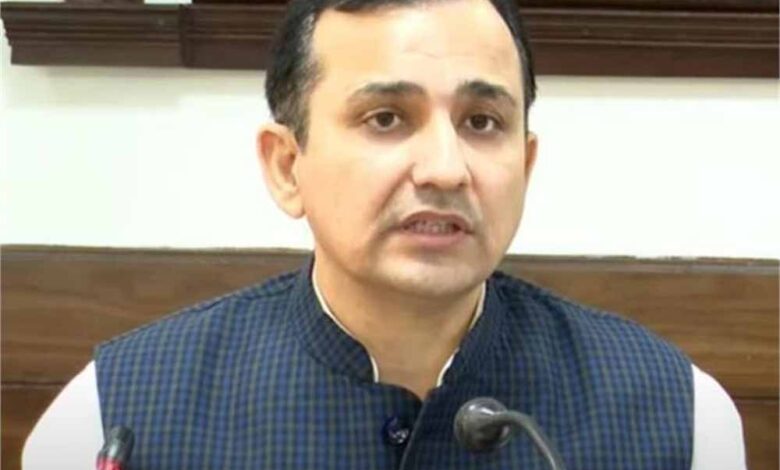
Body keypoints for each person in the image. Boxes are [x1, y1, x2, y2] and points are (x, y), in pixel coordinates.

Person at [23, 0, 746, 468]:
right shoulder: (107, 419)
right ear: (286, 166)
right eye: (386, 119)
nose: (445, 168)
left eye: (482, 122)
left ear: (525, 166)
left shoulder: (679, 416)